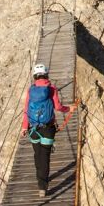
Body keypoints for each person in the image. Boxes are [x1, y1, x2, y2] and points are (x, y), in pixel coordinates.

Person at [20, 63, 70, 197]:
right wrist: (69, 109)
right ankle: (43, 187)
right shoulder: (51, 88)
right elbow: (58, 107)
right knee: (45, 155)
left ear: (35, 76)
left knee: (37, 154)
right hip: (48, 128)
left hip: (33, 128)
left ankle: (40, 180)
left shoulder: (31, 90)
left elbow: (26, 110)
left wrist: (24, 127)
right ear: (46, 74)